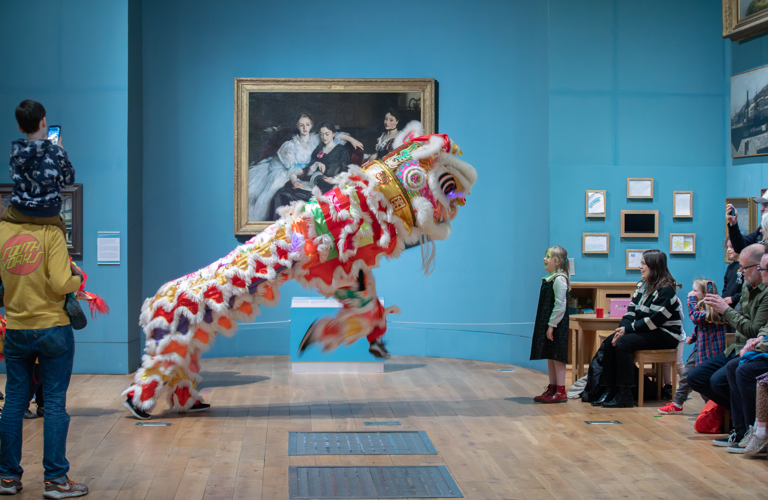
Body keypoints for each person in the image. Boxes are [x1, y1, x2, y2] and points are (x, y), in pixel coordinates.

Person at [0, 191, 88, 496]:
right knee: (53, 404)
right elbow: (62, 283)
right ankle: (56, 480)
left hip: (15, 328)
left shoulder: (2, 230)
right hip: (52, 328)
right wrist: (77, 279)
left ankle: (7, 478)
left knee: (13, 402)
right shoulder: (50, 231)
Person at [7, 99, 86, 328]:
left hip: (18, 214)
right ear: (44, 122)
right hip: (48, 216)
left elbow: (14, 176)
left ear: (21, 128)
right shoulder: (55, 152)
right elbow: (69, 179)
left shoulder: (16, 153)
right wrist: (61, 151)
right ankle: (71, 296)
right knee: (63, 260)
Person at [693, 243, 768, 448]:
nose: (740, 272)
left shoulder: (765, 292)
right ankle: (739, 418)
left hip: (751, 351)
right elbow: (744, 321)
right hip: (737, 347)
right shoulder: (747, 286)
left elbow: (754, 329)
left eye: (744, 267)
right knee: (696, 377)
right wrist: (716, 313)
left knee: (723, 378)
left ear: (759, 266)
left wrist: (726, 310)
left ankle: (744, 426)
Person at [592, 250, 682, 408]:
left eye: (643, 264)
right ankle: (609, 389)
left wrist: (626, 331)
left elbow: (654, 321)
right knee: (609, 343)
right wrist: (621, 330)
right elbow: (631, 312)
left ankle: (625, 392)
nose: (640, 267)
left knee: (623, 344)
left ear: (654, 266)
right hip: (647, 330)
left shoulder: (666, 289)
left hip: (666, 335)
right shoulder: (642, 285)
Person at [248, 113, 362, 221]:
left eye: (307, 124)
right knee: (275, 188)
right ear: (297, 126)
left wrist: (352, 140)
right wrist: (294, 180)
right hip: (292, 172)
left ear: (311, 125)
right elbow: (292, 168)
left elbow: (332, 134)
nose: (304, 128)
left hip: (315, 177)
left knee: (291, 193)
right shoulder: (291, 145)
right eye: (301, 125)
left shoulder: (317, 138)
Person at [658, 279, 727, 414]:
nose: (691, 293)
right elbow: (702, 327)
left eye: (695, 291)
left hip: (712, 351)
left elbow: (697, 318)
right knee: (687, 375)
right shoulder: (702, 307)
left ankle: (713, 408)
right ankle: (678, 403)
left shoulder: (713, 309)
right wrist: (694, 337)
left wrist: (691, 300)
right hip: (700, 348)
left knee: (704, 381)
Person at [267, 121, 351, 218]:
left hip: (328, 189)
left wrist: (335, 180)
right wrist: (314, 165)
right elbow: (307, 173)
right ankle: (278, 228)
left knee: (286, 195)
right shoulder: (318, 149)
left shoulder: (341, 150)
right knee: (281, 193)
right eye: (322, 134)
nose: (324, 137)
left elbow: (346, 172)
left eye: (327, 134)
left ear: (333, 134)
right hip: (313, 185)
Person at [530, 246, 570, 404]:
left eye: (548, 256)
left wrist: (552, 325)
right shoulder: (551, 278)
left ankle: (561, 390)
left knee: (558, 356)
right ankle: (552, 388)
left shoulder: (560, 279)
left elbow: (560, 305)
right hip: (550, 324)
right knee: (550, 355)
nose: (544, 259)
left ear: (558, 261)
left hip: (556, 325)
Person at [723, 238, 743, 309]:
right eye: (727, 247)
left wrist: (733, 298)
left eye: (731, 247)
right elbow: (725, 288)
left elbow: (746, 291)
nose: (728, 249)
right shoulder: (730, 267)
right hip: (728, 306)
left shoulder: (745, 267)